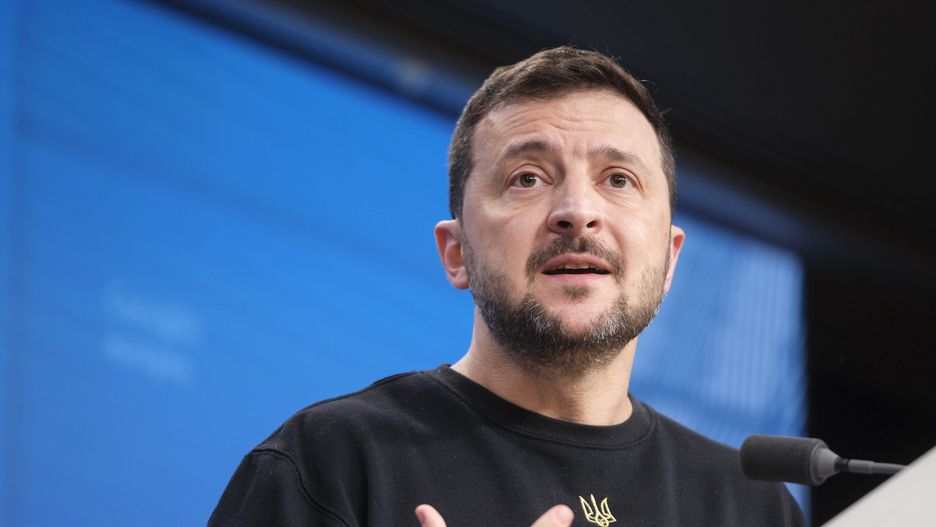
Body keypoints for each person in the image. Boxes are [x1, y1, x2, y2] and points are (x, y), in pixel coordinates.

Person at [208, 46, 805, 526]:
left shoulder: (750, 507)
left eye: (618, 179)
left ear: (670, 260)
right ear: (457, 251)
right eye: (527, 178)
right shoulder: (331, 463)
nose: (577, 211)